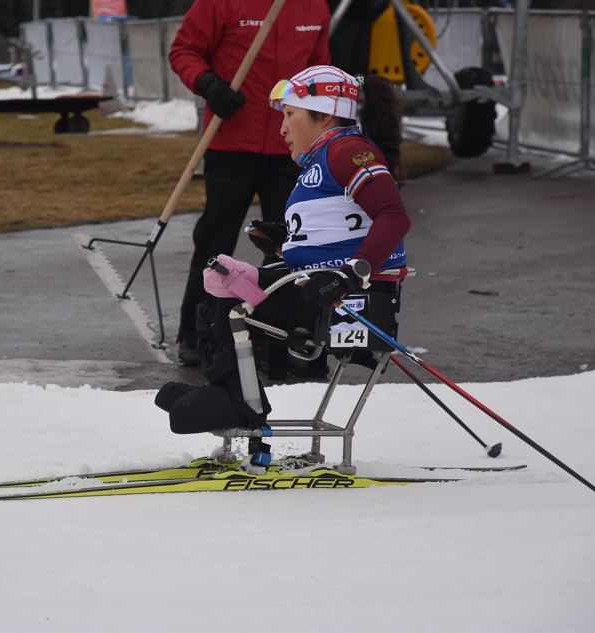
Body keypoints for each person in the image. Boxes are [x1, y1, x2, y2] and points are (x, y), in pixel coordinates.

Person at [156, 66, 411, 466]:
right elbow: (342, 225)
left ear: (323, 115)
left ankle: (237, 405)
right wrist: (287, 241)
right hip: (317, 290)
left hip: (349, 301)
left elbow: (393, 215)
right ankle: (228, 395)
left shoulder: (347, 150)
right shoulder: (321, 159)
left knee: (233, 299)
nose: (283, 128)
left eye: (290, 114)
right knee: (220, 283)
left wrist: (350, 273)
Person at [168, 0, 331, 366]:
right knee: (216, 237)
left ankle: (290, 339)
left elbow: (319, 72)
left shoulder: (313, 6)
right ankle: (197, 333)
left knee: (293, 246)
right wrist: (209, 83)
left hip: (291, 145)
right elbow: (184, 50)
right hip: (231, 142)